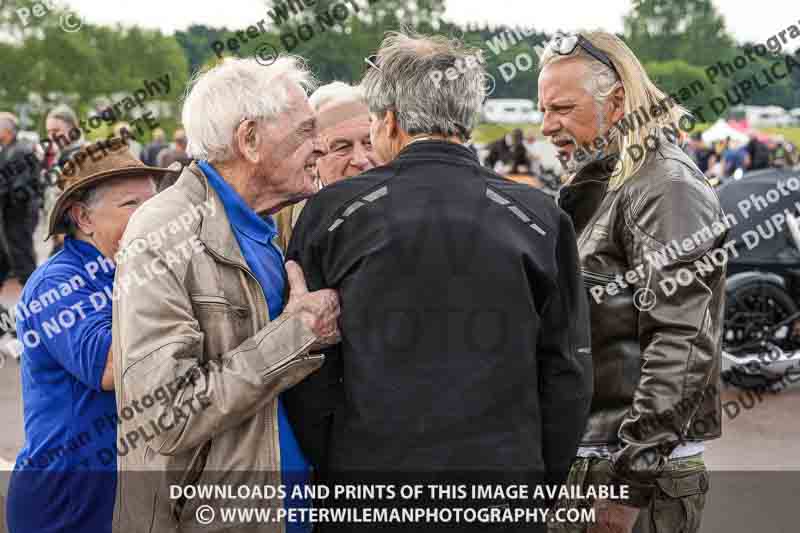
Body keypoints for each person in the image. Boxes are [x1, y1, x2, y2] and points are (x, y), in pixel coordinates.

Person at [287, 32, 592, 532]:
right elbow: (567, 371)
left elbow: (309, 368)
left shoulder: (334, 212)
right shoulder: (538, 215)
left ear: (388, 121)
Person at [111, 56, 341, 533]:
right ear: (250, 140)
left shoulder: (282, 220)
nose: (319, 147)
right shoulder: (163, 232)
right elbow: (164, 416)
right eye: (304, 132)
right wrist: (295, 335)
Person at [538, 31, 724, 533]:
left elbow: (683, 340)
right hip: (594, 458)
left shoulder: (665, 186)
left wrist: (630, 481)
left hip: (629, 470)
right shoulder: (607, 180)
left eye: (561, 108)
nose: (545, 125)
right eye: (543, 109)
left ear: (617, 100)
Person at [6, 140, 173, 533]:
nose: (152, 216)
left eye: (153, 203)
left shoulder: (127, 270)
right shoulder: (56, 283)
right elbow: (113, 367)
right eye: (132, 205)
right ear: (83, 218)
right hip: (65, 502)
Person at [274, 81, 381, 251]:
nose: (361, 160)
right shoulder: (282, 221)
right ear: (314, 156)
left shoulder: (411, 203)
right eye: (342, 147)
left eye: (369, 143)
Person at [0, 112, 41, 289]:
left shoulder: (21, 150)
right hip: (12, 211)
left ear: (6, 130)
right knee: (15, 251)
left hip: (20, 211)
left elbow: (21, 183)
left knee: (22, 252)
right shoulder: (8, 149)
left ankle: (34, 294)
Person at [45, 105, 88, 256]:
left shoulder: (83, 155)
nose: (52, 136)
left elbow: (80, 196)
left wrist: (65, 228)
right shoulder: (60, 154)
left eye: (56, 131)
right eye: (48, 132)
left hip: (73, 232)